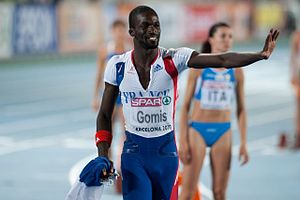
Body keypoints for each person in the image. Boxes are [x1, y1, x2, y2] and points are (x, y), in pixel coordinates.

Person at [94, 5, 279, 200]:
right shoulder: (117, 65)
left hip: (166, 156)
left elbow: (222, 59)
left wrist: (260, 55)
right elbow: (105, 115)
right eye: (145, 25)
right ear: (131, 31)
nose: (152, 30)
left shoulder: (174, 59)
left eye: (156, 25)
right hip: (134, 155)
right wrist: (103, 155)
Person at [178, 22, 248, 200]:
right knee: (187, 191)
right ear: (211, 39)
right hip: (197, 131)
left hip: (223, 130)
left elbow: (241, 109)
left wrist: (244, 143)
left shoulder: (236, 70)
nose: (227, 40)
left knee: (219, 192)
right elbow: (185, 107)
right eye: (223, 36)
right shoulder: (199, 68)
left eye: (230, 36)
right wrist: (183, 140)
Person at [290, 29, 300, 148]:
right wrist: (292, 74)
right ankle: (298, 135)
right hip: (299, 74)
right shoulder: (297, 35)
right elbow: (293, 57)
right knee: (298, 107)